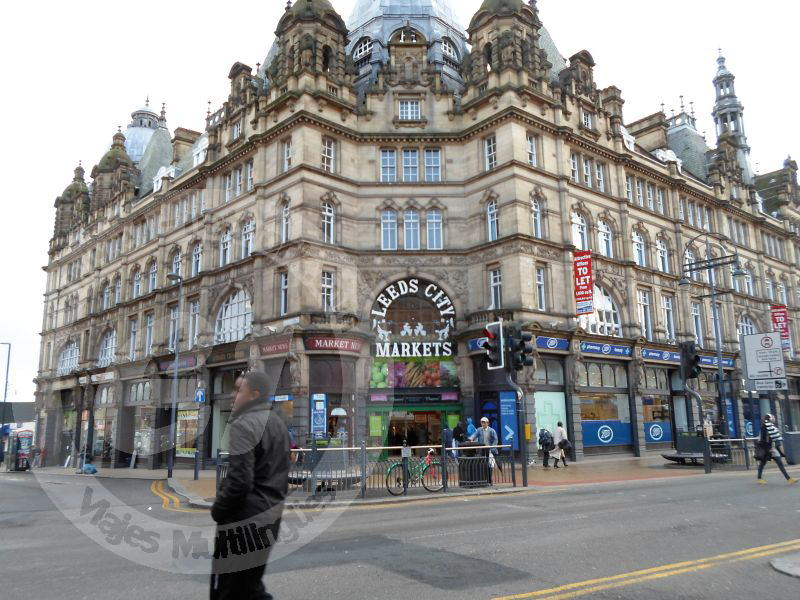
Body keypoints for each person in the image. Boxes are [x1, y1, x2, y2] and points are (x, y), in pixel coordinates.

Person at [211, 371, 290, 600]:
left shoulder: (244, 423)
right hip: (269, 521)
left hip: (242, 525)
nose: (231, 395)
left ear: (255, 394)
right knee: (250, 589)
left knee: (227, 592)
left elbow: (240, 481)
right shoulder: (277, 422)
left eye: (238, 390)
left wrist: (218, 510)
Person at [755, 414, 797, 485]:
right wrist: (768, 449)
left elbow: (774, 439)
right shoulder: (764, 427)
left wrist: (779, 451)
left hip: (772, 449)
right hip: (767, 449)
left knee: (780, 463)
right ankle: (759, 479)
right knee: (762, 463)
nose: (774, 418)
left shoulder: (772, 427)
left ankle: (789, 479)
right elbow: (763, 439)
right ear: (770, 419)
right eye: (773, 417)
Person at [470, 417, 499, 483]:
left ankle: (489, 479)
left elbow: (496, 439)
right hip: (482, 450)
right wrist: (471, 440)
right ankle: (483, 479)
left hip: (490, 450)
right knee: (482, 464)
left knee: (490, 464)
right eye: (482, 422)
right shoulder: (479, 430)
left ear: (487, 423)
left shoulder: (492, 430)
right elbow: (474, 435)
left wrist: (493, 447)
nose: (483, 424)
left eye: (484, 422)